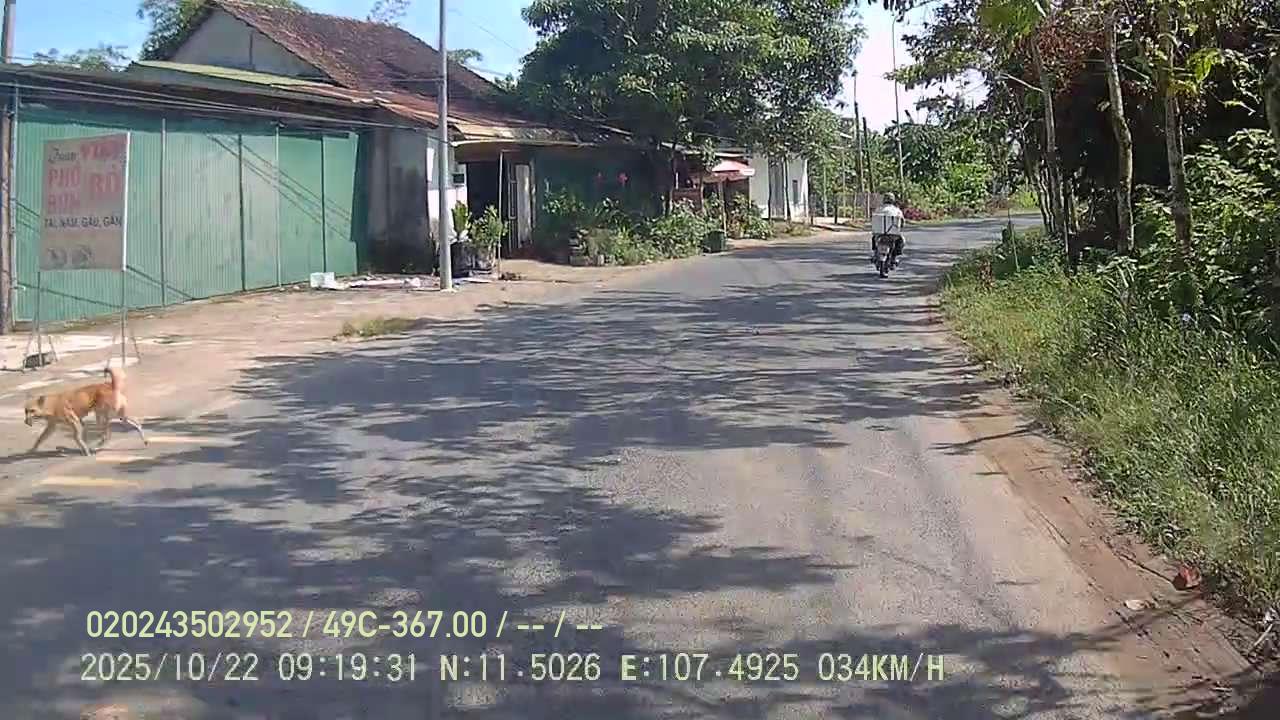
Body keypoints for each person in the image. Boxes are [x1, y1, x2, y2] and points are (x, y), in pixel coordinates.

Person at [871, 193, 906, 266]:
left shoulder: (878, 209)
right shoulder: (897, 210)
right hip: (893, 234)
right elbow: (902, 221)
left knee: (874, 238)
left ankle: (874, 253)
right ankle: (894, 257)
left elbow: (874, 219)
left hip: (879, 233)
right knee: (901, 240)